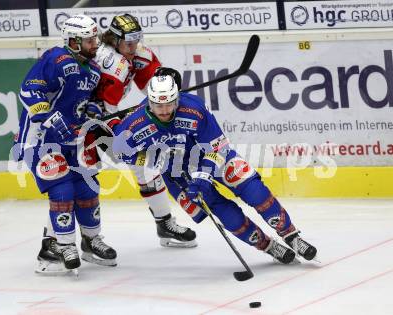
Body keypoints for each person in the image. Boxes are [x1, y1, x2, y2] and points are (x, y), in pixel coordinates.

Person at [112, 72, 318, 264]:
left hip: (210, 157)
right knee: (225, 213)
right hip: (177, 172)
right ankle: (268, 246)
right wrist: (153, 160)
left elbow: (217, 147)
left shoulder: (194, 108)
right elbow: (121, 153)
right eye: (158, 106)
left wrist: (202, 178)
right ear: (150, 101)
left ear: (177, 99)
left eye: (170, 104)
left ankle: (291, 235)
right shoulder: (134, 123)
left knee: (255, 191)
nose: (165, 111)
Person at [13, 14, 116, 275]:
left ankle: (91, 242)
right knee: (62, 188)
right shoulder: (55, 59)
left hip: (72, 141)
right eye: (90, 40)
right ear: (73, 41)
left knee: (87, 187)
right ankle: (62, 245)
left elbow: (87, 101)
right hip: (40, 140)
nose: (96, 44)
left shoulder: (92, 71)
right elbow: (28, 90)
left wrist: (93, 108)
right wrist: (49, 117)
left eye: (94, 38)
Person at [93, 14, 197, 248]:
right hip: (83, 122)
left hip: (101, 115)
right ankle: (56, 240)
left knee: (144, 163)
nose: (133, 47)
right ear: (114, 39)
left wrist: (166, 84)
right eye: (128, 42)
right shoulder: (111, 62)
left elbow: (154, 87)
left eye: (136, 40)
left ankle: (164, 223)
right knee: (73, 179)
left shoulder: (136, 54)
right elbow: (106, 109)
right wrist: (123, 132)